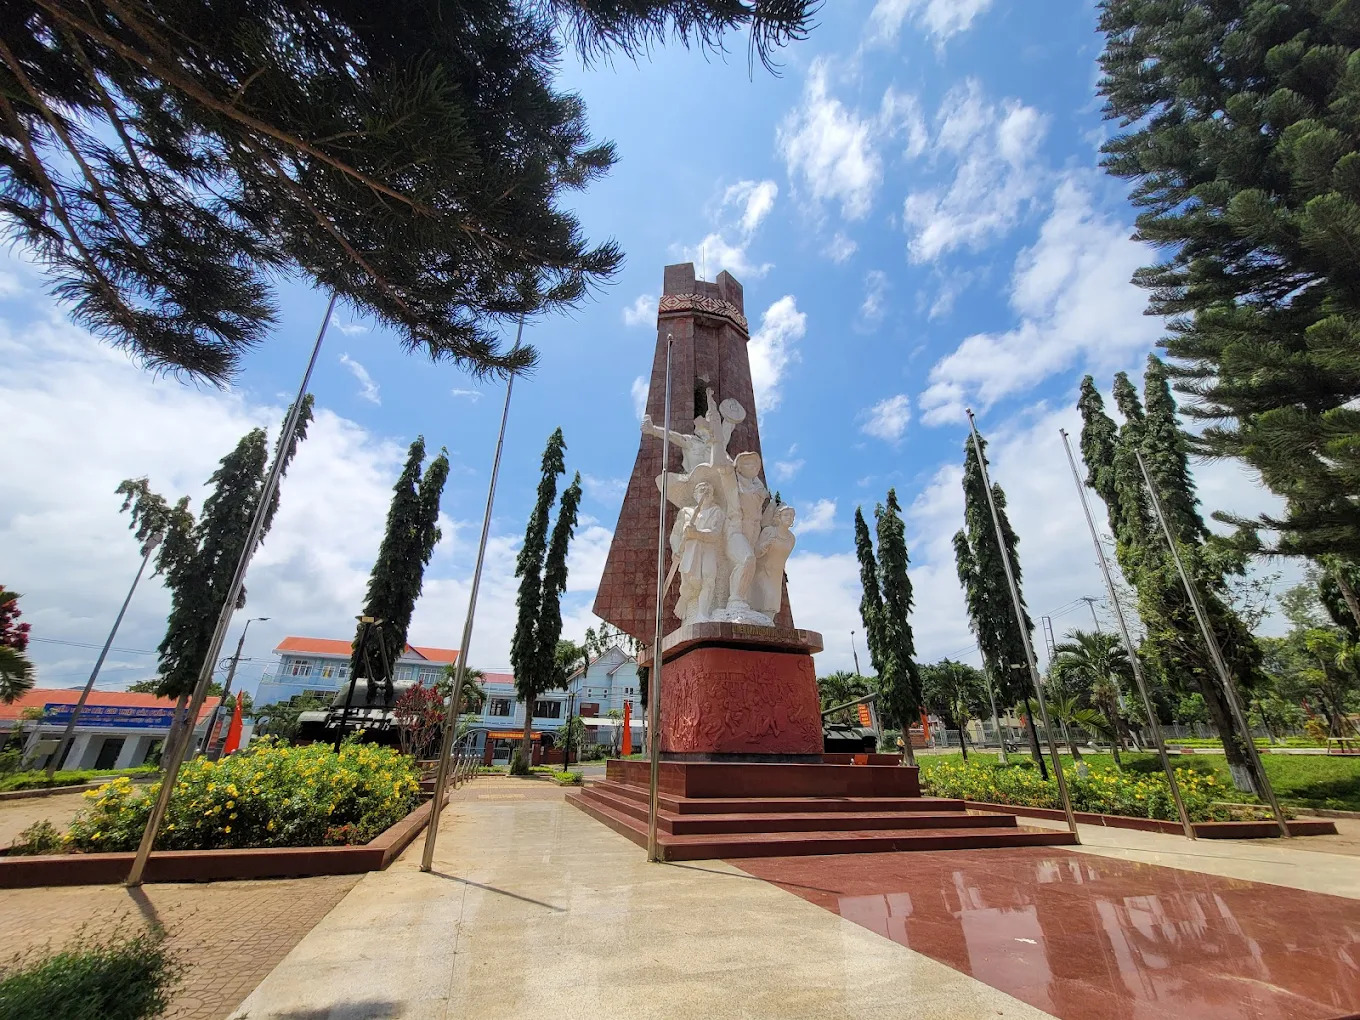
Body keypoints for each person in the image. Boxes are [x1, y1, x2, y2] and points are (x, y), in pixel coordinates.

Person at [674, 481, 725, 625]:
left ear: (713, 495)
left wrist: (697, 533)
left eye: (708, 489)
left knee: (709, 579)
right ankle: (684, 599)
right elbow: (676, 534)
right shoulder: (686, 512)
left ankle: (702, 614)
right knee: (690, 583)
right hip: (689, 550)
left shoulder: (716, 511)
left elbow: (715, 533)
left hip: (708, 549)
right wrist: (676, 549)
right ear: (695, 495)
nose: (705, 491)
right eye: (701, 489)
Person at [750, 504, 795, 616]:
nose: (789, 517)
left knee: (773, 606)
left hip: (776, 575)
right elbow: (756, 552)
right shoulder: (769, 531)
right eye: (786, 515)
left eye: (791, 515)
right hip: (763, 571)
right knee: (766, 600)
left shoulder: (791, 538)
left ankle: (767, 624)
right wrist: (765, 545)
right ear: (779, 517)